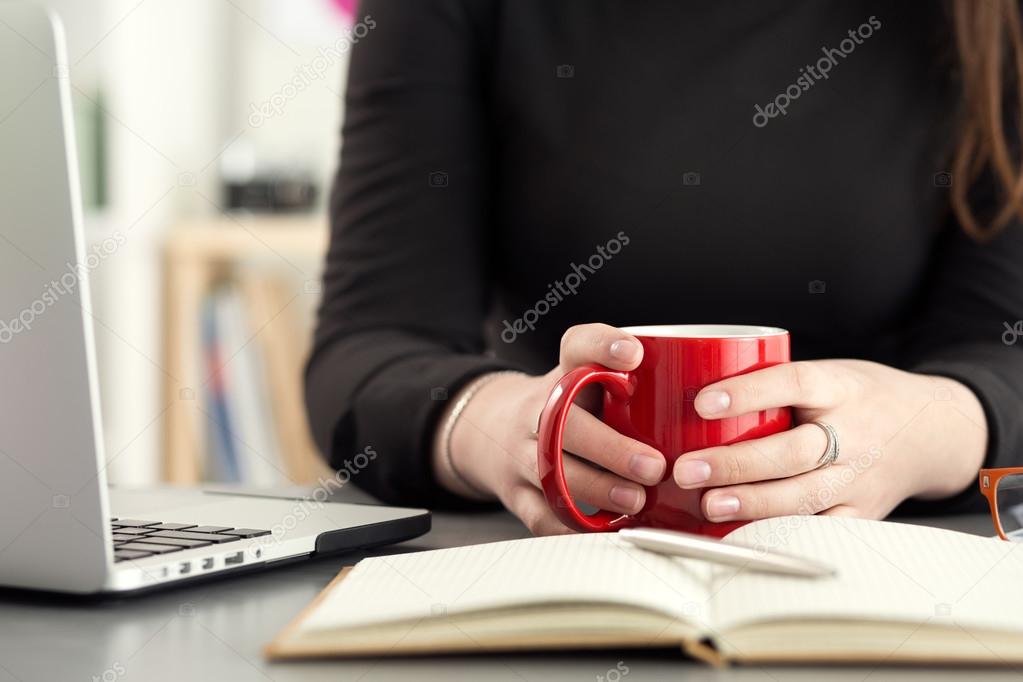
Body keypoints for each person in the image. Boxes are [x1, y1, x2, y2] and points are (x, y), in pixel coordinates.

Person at [305, 1, 1023, 535]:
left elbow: (1003, 344)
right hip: (559, 553)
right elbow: (367, 342)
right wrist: (489, 422)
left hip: (896, 562)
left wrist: (930, 426)